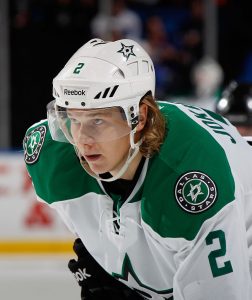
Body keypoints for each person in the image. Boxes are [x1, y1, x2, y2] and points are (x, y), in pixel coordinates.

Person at [23, 38, 252, 299]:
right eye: (74, 119)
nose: (82, 140)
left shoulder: (193, 180)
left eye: (97, 120)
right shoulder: (52, 153)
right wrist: (104, 254)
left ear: (140, 117)